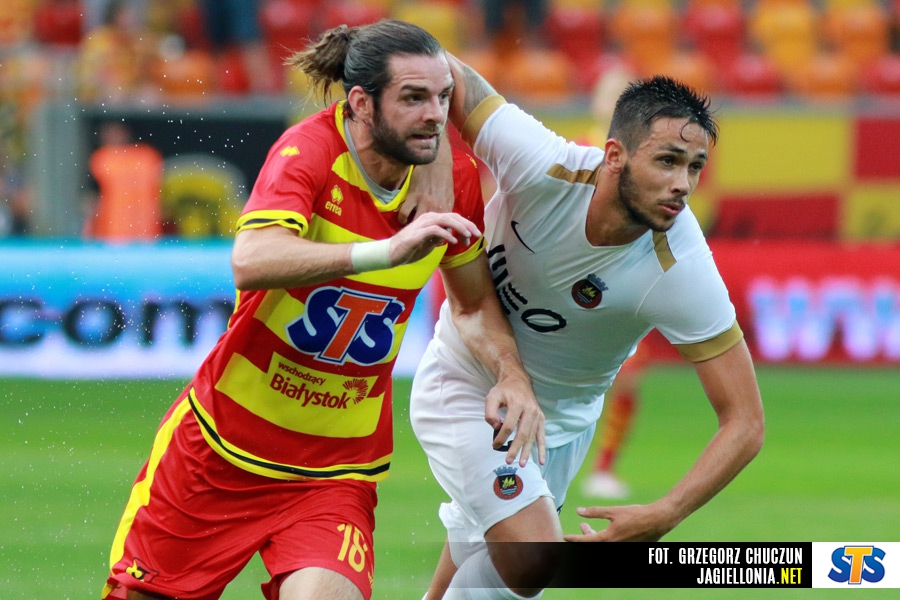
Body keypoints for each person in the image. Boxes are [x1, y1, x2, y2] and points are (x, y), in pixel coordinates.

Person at [101, 20, 544, 600]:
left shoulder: (452, 179)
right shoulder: (308, 151)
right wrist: (384, 252)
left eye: (442, 98)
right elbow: (251, 258)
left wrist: (511, 374)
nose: (435, 114)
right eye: (413, 98)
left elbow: (475, 304)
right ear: (361, 103)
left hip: (334, 475)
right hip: (220, 453)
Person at [409, 57, 765, 599]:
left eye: (694, 167)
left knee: (491, 568)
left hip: (559, 430)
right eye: (667, 161)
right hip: (466, 381)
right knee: (533, 559)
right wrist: (433, 158)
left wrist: (665, 513)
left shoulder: (681, 267)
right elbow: (436, 61)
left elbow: (745, 421)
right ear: (614, 155)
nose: (682, 184)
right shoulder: (542, 164)